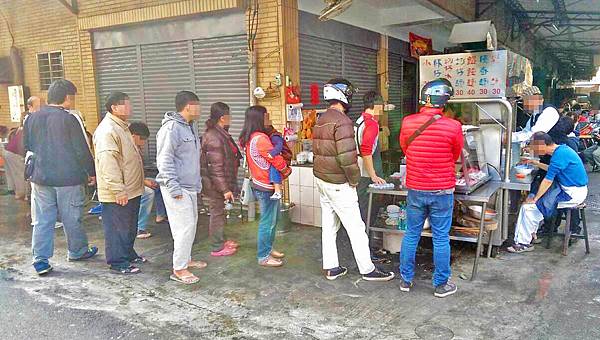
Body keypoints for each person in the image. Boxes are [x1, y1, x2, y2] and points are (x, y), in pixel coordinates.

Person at [312, 78, 395, 282]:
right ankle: (368, 269)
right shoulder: (342, 121)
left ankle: (331, 267)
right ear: (344, 96)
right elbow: (347, 158)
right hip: (339, 184)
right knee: (356, 228)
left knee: (329, 227)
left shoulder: (321, 119)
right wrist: (354, 179)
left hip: (322, 180)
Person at [24, 79, 98, 275]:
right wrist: (91, 173)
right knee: (72, 218)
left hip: (40, 178)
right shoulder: (69, 119)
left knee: (42, 220)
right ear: (67, 97)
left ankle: (40, 260)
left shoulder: (32, 118)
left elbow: (28, 146)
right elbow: (81, 150)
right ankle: (77, 251)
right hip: (67, 179)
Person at [398, 78, 463, 298]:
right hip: (442, 191)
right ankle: (440, 285)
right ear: (444, 101)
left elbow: (405, 148)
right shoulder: (453, 126)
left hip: (416, 189)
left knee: (411, 233)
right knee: (440, 237)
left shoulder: (408, 122)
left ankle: (405, 280)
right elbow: (455, 155)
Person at [508, 132, 588, 253]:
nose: (533, 149)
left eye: (534, 146)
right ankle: (530, 235)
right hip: (569, 189)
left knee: (528, 207)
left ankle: (523, 244)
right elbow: (552, 169)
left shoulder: (559, 155)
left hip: (572, 194)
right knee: (532, 201)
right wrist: (535, 163)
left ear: (543, 144)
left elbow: (548, 180)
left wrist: (535, 199)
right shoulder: (561, 150)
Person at [94, 92, 145, 274]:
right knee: (117, 229)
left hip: (132, 189)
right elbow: (108, 162)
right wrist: (118, 190)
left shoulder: (123, 127)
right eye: (125, 104)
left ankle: (129, 254)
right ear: (114, 108)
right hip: (119, 192)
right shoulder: (107, 130)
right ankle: (117, 262)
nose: (129, 107)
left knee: (130, 226)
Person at [156, 91, 204, 284]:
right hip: (177, 187)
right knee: (184, 227)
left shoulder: (190, 127)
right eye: (197, 104)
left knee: (190, 225)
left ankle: (186, 259)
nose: (199, 108)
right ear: (187, 106)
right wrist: (173, 187)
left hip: (190, 186)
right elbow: (164, 159)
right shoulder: (171, 128)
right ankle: (179, 268)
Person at [239, 105, 291, 267]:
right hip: (265, 186)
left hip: (259, 183)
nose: (269, 118)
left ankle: (268, 248)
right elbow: (276, 159)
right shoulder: (260, 139)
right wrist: (286, 170)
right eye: (266, 115)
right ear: (259, 118)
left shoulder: (251, 137)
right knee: (267, 222)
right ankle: (263, 256)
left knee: (272, 220)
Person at [200, 102, 242, 257]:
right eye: (229, 116)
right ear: (223, 118)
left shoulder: (221, 133)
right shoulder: (214, 137)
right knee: (217, 212)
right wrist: (224, 189)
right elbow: (216, 168)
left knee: (220, 212)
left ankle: (221, 240)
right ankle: (217, 247)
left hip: (219, 183)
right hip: (214, 185)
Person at [127, 121, 167, 239]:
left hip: (138, 179)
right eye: (142, 139)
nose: (144, 142)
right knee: (148, 193)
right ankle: (139, 228)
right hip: (128, 184)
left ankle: (161, 215)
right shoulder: (127, 148)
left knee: (159, 183)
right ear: (133, 136)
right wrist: (145, 182)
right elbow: (129, 173)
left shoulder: (136, 147)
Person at [355, 91, 386, 228]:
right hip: (366, 174)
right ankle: (366, 241)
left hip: (358, 169)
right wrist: (373, 175)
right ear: (377, 106)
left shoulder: (359, 120)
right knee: (366, 209)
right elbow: (366, 151)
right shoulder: (371, 124)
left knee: (360, 205)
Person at [3, 112, 28, 200]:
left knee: (12, 173)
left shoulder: (19, 129)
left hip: (8, 151)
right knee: (20, 173)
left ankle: (13, 190)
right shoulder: (26, 129)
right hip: (14, 153)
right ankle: (21, 194)